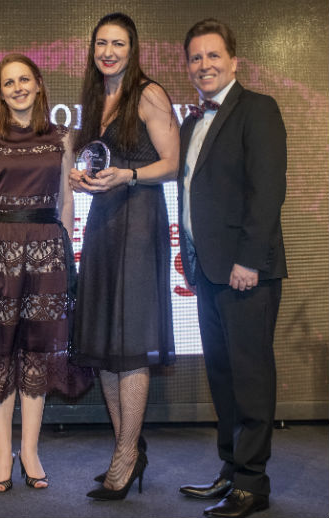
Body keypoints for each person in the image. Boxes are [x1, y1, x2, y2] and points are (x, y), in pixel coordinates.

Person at [0, 53, 92, 493]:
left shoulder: (61, 138)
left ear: (38, 84)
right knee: (1, 355)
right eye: (7, 83)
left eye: (24, 80)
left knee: (37, 355)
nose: (17, 88)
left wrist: (65, 252)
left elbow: (66, 202)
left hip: (46, 256)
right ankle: (3, 455)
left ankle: (31, 452)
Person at [177, 19, 287, 518]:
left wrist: (248, 259)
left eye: (213, 55)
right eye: (196, 58)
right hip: (208, 271)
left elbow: (267, 192)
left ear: (234, 61)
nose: (204, 65)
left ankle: (252, 484)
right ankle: (229, 471)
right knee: (222, 376)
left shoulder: (258, 109)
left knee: (250, 376)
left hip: (246, 272)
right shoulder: (190, 121)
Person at [69, 13, 179, 500]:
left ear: (133, 49)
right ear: (92, 50)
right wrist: (79, 176)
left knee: (130, 341)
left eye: (117, 43)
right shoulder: (95, 98)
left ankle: (126, 455)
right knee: (108, 344)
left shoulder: (149, 94)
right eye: (101, 43)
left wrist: (130, 176)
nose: (108, 51)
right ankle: (127, 448)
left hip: (138, 221)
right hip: (103, 223)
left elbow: (174, 163)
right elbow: (91, 156)